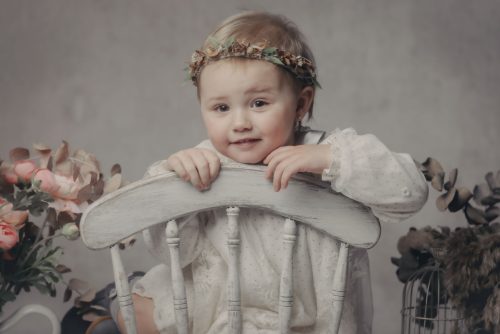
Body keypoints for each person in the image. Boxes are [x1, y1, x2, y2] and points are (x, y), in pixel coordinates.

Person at [116, 11, 428, 334]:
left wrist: (330, 158)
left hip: (308, 321)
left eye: (259, 103)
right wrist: (176, 177)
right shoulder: (207, 162)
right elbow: (177, 249)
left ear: (301, 103)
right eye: (221, 108)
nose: (240, 123)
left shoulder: (324, 153)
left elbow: (411, 190)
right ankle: (98, 312)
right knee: (133, 310)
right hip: (217, 314)